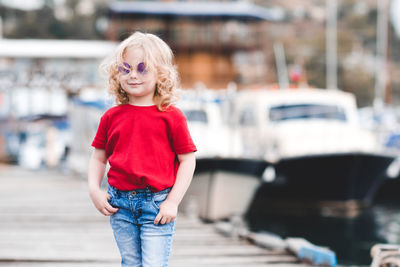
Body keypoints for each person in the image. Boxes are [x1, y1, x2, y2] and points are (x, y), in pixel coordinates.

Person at [88, 31, 197, 267]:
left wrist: (173, 202)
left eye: (142, 68)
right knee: (130, 262)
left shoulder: (171, 116)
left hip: (157, 204)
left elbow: (187, 161)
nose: (133, 75)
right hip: (119, 204)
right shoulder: (111, 116)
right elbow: (98, 157)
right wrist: (94, 190)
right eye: (125, 69)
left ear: (160, 73)